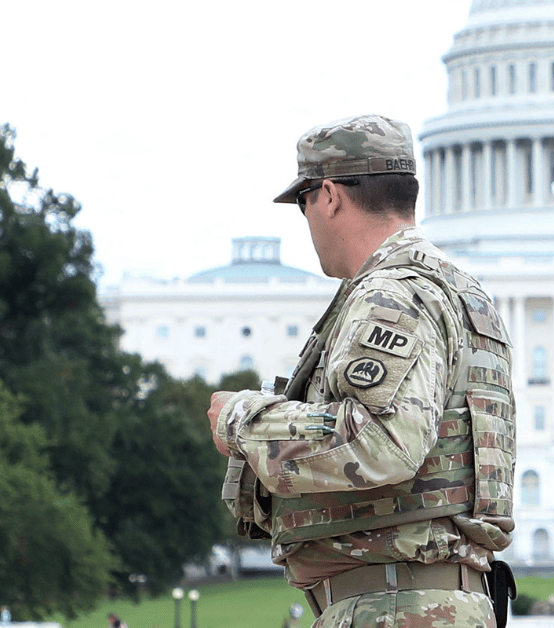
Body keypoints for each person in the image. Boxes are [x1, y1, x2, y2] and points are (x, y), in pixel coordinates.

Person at [208, 114, 516, 628]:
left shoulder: (390, 294)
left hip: (392, 603)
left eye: (303, 202)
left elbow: (381, 439)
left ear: (329, 195)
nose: (306, 219)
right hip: (423, 599)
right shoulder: (461, 293)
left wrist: (241, 419)